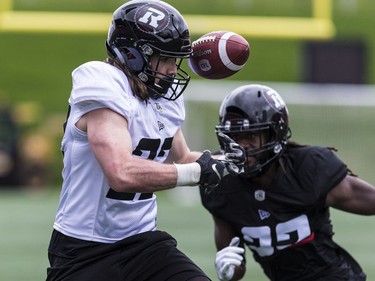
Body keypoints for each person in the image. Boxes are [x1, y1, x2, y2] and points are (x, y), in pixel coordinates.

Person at [46, 1, 242, 280]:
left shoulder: (162, 95)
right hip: (84, 251)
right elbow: (121, 173)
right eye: (165, 58)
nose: (173, 70)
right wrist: (201, 172)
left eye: (175, 60)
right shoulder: (102, 81)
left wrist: (238, 163)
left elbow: (183, 158)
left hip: (144, 244)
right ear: (132, 54)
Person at [200, 84, 375, 281]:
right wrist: (227, 270)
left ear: (275, 134)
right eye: (234, 137)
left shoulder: (307, 169)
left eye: (250, 136)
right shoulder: (221, 183)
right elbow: (235, 264)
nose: (240, 147)